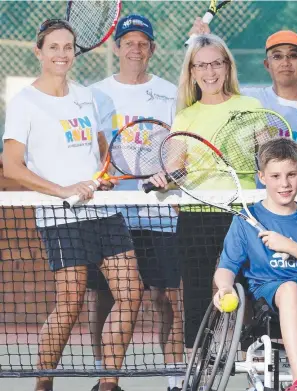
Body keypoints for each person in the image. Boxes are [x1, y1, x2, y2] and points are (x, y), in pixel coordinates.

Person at [1, 20, 143, 391]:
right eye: (54, 47)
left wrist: (103, 173)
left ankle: (108, 384)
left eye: (68, 48)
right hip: (60, 216)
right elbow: (12, 165)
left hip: (103, 212)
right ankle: (42, 383)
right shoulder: (25, 103)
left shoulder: (86, 96)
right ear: (39, 52)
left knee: (131, 292)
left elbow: (99, 151)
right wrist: (62, 189)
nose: (62, 54)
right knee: (71, 301)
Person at [146, 34, 262, 353]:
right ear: (192, 72)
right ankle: (200, 361)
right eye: (201, 65)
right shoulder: (186, 116)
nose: (209, 72)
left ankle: (254, 358)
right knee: (196, 292)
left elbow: (269, 157)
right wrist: (165, 179)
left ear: (227, 67)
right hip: (197, 215)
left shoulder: (251, 107)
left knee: (249, 290)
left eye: (216, 63)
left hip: (241, 213)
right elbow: (176, 169)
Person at [87, 14, 183, 391]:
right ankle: (104, 377)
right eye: (128, 41)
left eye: (143, 42)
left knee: (165, 296)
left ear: (153, 49)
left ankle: (175, 380)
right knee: (105, 297)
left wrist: (171, 177)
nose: (136, 47)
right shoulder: (94, 93)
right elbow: (92, 149)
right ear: (116, 47)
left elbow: (179, 147)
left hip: (158, 210)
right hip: (109, 213)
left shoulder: (170, 92)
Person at [214, 137, 297, 391]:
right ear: (262, 177)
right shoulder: (246, 220)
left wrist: (290, 246)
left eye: (291, 175)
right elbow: (227, 266)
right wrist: (225, 287)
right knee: (289, 290)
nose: (284, 184)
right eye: (275, 176)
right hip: (269, 299)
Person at [241, 30, 297, 160]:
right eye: (277, 56)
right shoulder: (250, 99)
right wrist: (200, 39)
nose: (285, 62)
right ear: (267, 64)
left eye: (293, 55)